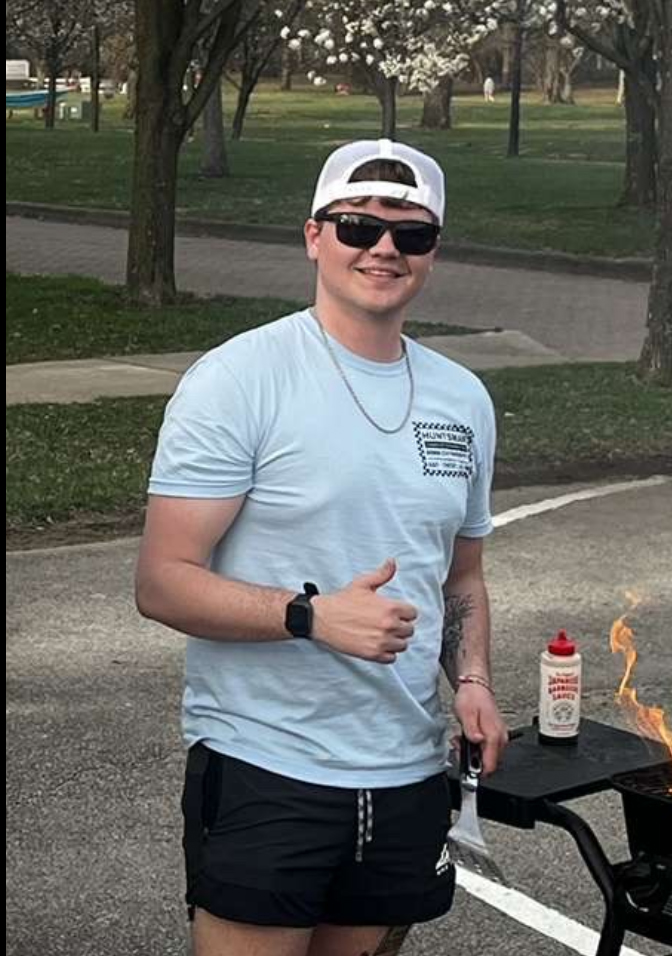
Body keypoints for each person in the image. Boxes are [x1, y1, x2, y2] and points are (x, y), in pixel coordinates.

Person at [136, 137, 508, 956]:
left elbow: (463, 576)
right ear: (314, 237)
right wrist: (310, 616)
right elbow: (162, 581)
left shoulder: (463, 398)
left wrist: (474, 681)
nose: (384, 248)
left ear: (433, 252)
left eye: (411, 233)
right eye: (358, 226)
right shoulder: (239, 379)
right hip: (269, 767)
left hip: (407, 770)